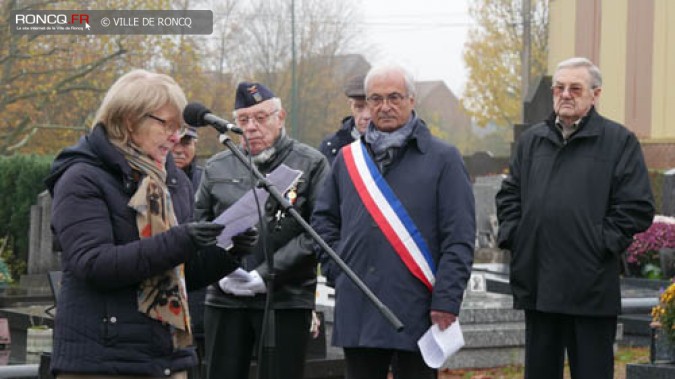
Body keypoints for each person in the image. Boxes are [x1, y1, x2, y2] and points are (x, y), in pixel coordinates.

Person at [44, 69, 257, 379]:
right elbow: (93, 264)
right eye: (166, 124)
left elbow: (179, 274)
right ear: (129, 120)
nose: (176, 136)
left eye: (181, 126)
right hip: (104, 362)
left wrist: (227, 252)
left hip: (168, 357)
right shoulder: (82, 178)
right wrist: (181, 241)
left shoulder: (173, 182)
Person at [311, 64, 476, 379]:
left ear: (412, 100)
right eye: (375, 99)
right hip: (359, 305)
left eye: (394, 97)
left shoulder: (443, 158)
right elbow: (323, 222)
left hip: (418, 308)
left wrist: (447, 298)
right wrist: (339, 269)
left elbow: (459, 237)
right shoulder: (348, 160)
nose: (384, 107)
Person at [495, 57, 655, 379]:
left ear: (595, 95)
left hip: (590, 287)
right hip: (538, 284)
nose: (565, 94)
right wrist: (518, 237)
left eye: (575, 88)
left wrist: (600, 243)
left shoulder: (619, 142)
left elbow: (636, 206)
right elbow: (509, 196)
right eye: (559, 87)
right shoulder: (532, 141)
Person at [195, 82, 329, 379]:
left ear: (280, 117)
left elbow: (318, 233)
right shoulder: (216, 167)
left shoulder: (310, 163)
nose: (251, 127)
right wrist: (219, 271)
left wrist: (266, 274)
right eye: (243, 120)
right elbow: (198, 227)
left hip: (285, 297)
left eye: (261, 117)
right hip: (224, 297)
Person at [172, 126, 206, 379]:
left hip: (202, 294)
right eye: (175, 142)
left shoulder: (206, 180)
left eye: (187, 143)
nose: (180, 150)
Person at [319, 74, 371, 165]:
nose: (366, 116)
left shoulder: (395, 145)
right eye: (359, 107)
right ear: (350, 105)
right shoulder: (330, 146)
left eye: (371, 107)